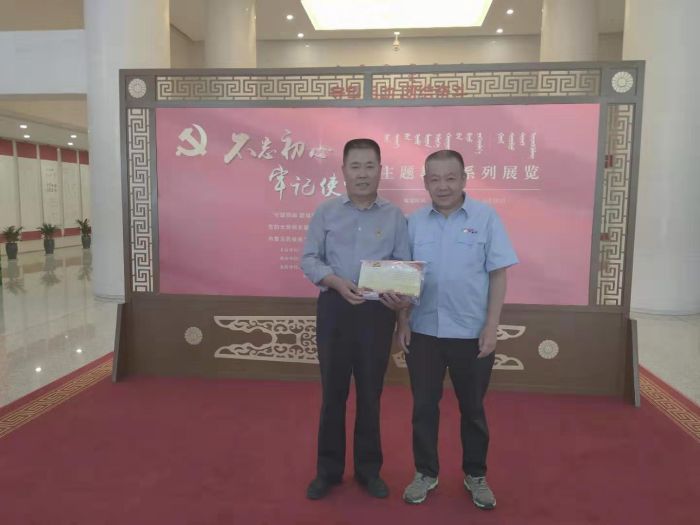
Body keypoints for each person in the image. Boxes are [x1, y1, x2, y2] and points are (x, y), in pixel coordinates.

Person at [397, 149, 518, 509]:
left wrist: (492, 326)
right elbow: (404, 277)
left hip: (471, 334)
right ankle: (425, 472)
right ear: (425, 182)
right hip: (424, 332)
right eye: (435, 179)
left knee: (473, 409)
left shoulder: (486, 217)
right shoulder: (414, 223)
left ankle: (475, 474)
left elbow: (498, 274)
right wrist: (403, 321)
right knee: (423, 407)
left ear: (464, 179)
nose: (443, 186)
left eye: (450, 178)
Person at [301, 138, 411, 500]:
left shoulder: (394, 216)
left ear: (380, 170)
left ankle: (368, 471)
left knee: (370, 394)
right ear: (344, 171)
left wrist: (400, 306)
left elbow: (403, 267)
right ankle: (328, 471)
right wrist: (334, 281)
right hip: (334, 308)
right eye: (355, 166)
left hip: (376, 314)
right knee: (333, 394)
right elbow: (309, 259)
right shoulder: (326, 212)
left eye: (369, 166)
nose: (362, 174)